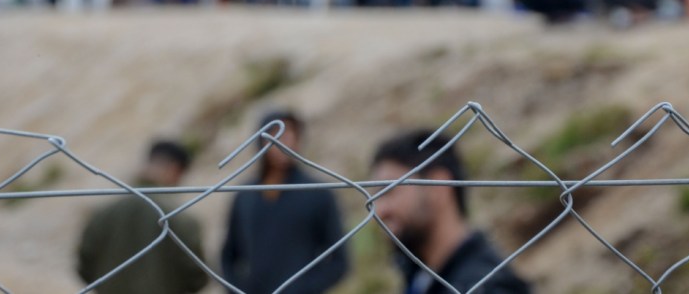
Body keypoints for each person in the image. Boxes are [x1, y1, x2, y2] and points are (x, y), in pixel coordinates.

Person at [370, 130, 530, 294]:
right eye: (374, 197)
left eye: (387, 191)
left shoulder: (487, 286)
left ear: (437, 186)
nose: (380, 210)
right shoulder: (421, 278)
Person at [221, 110, 348, 293]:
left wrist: (305, 289)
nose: (284, 142)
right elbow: (229, 256)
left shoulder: (317, 193)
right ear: (261, 140)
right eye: (276, 135)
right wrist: (239, 289)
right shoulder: (245, 196)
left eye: (291, 135)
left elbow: (339, 261)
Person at [78, 140, 208, 294]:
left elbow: (85, 265)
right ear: (175, 169)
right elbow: (197, 274)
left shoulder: (102, 213)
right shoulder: (181, 218)